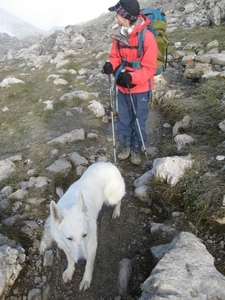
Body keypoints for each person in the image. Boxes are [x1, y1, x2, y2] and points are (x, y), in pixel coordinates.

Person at [102, 0, 158, 165]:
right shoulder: (119, 35)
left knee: (138, 119)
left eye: (117, 13)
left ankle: (136, 148)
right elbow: (115, 56)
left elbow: (149, 68)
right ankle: (126, 146)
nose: (115, 16)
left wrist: (133, 78)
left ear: (125, 16)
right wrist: (110, 66)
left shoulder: (147, 37)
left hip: (140, 88)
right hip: (122, 86)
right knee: (124, 118)